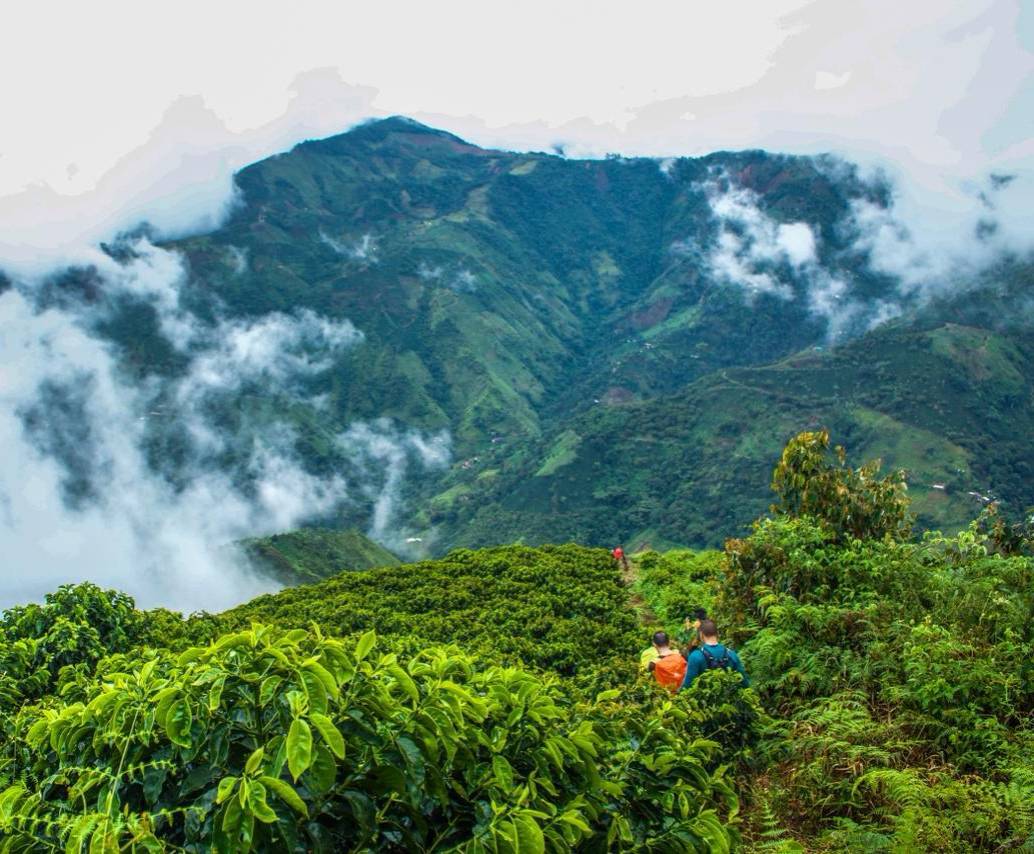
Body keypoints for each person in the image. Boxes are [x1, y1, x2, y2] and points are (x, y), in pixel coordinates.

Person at [681, 619, 749, 690]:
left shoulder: (695, 656)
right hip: (730, 699)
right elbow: (745, 683)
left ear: (701, 634)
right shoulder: (731, 654)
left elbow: (687, 685)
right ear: (717, 634)